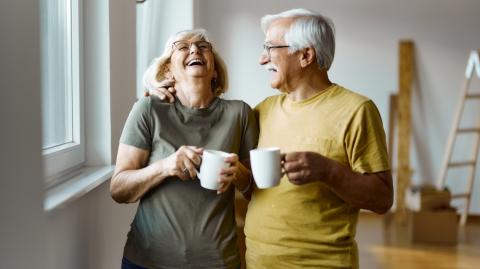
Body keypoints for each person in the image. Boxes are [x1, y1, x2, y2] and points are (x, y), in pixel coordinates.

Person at [149, 9, 393, 269]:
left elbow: (382, 200)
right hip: (258, 261)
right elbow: (247, 180)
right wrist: (160, 90)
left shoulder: (356, 110)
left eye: (270, 48)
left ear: (306, 55)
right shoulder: (263, 110)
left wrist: (327, 171)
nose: (262, 59)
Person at [110, 29, 258, 269]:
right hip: (147, 261)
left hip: (217, 262)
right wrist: (165, 166)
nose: (195, 50)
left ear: (215, 70)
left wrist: (238, 173)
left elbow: (256, 190)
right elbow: (119, 189)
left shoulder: (239, 113)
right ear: (168, 69)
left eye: (203, 46)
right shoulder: (148, 109)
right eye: (182, 46)